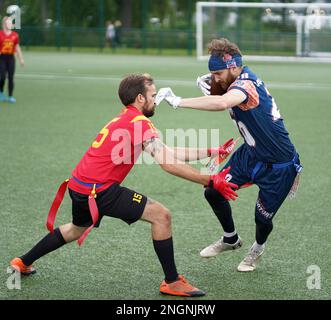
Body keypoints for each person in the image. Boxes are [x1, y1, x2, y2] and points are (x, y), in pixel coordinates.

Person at [10, 73, 239, 297]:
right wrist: (210, 180)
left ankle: (22, 262)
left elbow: (167, 152)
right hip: (98, 191)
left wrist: (210, 151)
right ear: (140, 98)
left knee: (75, 229)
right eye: (153, 95)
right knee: (161, 216)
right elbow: (167, 164)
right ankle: (172, 282)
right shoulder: (140, 122)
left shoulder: (125, 118)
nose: (155, 99)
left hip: (79, 186)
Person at [156, 38, 302, 272]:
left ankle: (257, 248)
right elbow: (225, 96)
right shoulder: (233, 82)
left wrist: (177, 101)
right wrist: (217, 87)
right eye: (212, 74)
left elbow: (223, 102)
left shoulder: (247, 85)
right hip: (251, 154)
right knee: (213, 190)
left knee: (262, 218)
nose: (215, 78)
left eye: (218, 73)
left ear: (234, 67)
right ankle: (230, 239)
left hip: (279, 164)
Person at [0, 16, 24, 103]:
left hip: (11, 58)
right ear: (4, 24)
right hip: (2, 58)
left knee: (11, 77)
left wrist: (21, 59)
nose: (11, 24)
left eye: (11, 22)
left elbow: (17, 47)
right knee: (2, 77)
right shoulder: (0, 34)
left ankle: (10, 96)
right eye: (9, 22)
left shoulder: (15, 35)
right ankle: (1, 92)